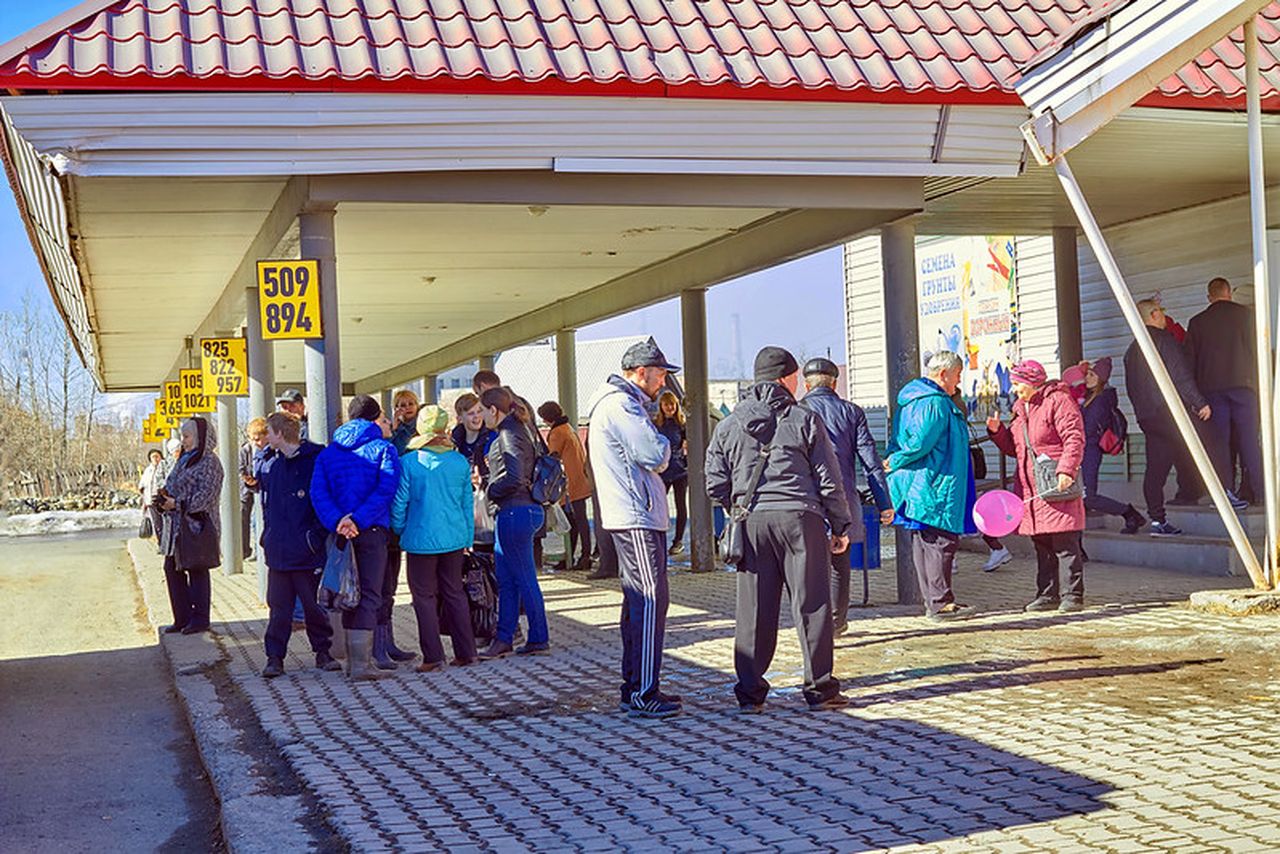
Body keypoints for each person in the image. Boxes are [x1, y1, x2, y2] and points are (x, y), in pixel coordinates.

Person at [706, 346, 852, 713]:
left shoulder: (728, 424)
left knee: (754, 609)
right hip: (800, 520)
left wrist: (736, 506)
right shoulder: (805, 419)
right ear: (786, 378)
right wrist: (840, 524)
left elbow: (713, 482)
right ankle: (819, 689)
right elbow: (828, 478)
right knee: (812, 604)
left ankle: (751, 693)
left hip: (751, 523)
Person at [586, 341, 680, 718]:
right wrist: (666, 443)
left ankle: (636, 687)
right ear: (640, 373)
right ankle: (643, 691)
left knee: (639, 602)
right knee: (649, 601)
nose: (664, 382)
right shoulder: (622, 405)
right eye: (660, 374)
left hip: (634, 512)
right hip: (636, 514)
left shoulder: (619, 403)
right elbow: (654, 454)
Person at [798, 357, 893, 635]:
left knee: (809, 566)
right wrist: (884, 503)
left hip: (807, 500)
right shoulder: (852, 412)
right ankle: (837, 622)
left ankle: (815, 623)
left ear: (806, 384)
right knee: (840, 563)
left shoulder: (796, 411)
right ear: (835, 383)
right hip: (842, 499)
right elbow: (870, 461)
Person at [310, 395, 401, 680]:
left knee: (347, 592)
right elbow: (386, 490)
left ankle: (353, 663)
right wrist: (358, 520)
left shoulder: (328, 453)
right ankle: (361, 665)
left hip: (338, 534)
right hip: (371, 531)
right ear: (375, 418)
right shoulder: (384, 449)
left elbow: (318, 493)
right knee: (370, 594)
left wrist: (338, 521)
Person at [987, 361, 1088, 612]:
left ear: (1032, 382)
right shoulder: (1021, 408)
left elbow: (1074, 437)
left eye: (1017, 384)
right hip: (1031, 489)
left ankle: (1072, 595)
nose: (1014, 389)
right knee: (1042, 544)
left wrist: (1066, 469)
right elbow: (1016, 448)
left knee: (1065, 543)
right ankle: (1047, 594)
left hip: (1055, 482)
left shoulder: (1059, 401)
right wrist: (998, 432)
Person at [884, 351, 973, 621]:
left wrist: (893, 460)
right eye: (957, 375)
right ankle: (940, 603)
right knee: (940, 541)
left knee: (925, 541)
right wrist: (895, 460)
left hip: (923, 482)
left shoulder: (913, 399)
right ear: (943, 373)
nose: (958, 381)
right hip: (935, 481)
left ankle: (934, 600)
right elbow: (920, 443)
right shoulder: (934, 402)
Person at [391, 405, 478, 671]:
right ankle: (467, 652)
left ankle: (433, 657)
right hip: (454, 538)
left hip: (420, 539)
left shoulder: (410, 462)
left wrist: (399, 529)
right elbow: (467, 504)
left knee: (424, 597)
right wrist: (467, 536)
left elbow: (399, 503)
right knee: (455, 593)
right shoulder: (459, 461)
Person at [257, 412, 340, 677]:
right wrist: (267, 537)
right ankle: (274, 657)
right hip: (279, 550)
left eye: (269, 431)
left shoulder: (315, 461)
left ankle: (323, 652)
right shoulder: (274, 466)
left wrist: (314, 537)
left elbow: (324, 503)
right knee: (278, 607)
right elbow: (268, 507)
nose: (265, 437)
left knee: (313, 605)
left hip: (307, 551)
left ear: (280, 434)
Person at [1124, 299, 1212, 536]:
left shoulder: (1132, 349)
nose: (1164, 317)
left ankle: (1157, 519)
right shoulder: (1164, 341)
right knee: (1194, 450)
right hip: (1167, 413)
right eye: (1161, 313)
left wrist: (1142, 412)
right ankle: (1209, 494)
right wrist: (1199, 402)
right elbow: (1180, 375)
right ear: (1153, 315)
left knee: (1156, 468)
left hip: (1147, 416)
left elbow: (1131, 386)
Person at [478, 386, 550, 659]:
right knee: (508, 580)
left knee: (523, 579)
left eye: (484, 410)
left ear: (493, 410)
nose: (483, 416)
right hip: (521, 511)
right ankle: (504, 637)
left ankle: (538, 637)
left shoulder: (509, 434)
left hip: (514, 511)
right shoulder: (520, 429)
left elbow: (515, 477)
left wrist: (489, 489)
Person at [1185, 277, 1261, 510]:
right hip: (1244, 386)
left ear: (1210, 297)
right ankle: (1263, 491)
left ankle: (1226, 493)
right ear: (1228, 293)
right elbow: (1256, 350)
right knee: (1250, 441)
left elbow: (1190, 361)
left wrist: (1196, 398)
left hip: (1212, 391)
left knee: (1220, 443)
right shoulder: (1246, 316)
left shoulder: (1197, 322)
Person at [157, 417, 224, 635]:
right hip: (177, 527)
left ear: (200, 437)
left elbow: (206, 496)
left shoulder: (210, 462)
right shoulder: (184, 459)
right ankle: (182, 617)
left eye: (187, 436)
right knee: (172, 568)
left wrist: (176, 503)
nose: (183, 441)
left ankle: (200, 619)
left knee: (197, 570)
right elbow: (172, 483)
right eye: (182, 436)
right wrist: (163, 497)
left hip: (199, 527)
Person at [1078, 357, 1146, 533]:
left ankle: (1129, 513)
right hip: (1083, 450)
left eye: (1092, 375)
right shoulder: (1091, 397)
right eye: (1087, 375)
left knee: (1088, 497)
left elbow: (1088, 429)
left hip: (1089, 451)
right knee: (1081, 497)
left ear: (1101, 378)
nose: (1087, 378)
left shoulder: (1100, 400)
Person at [538, 401, 593, 572]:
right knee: (579, 520)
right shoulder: (568, 428)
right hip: (580, 479)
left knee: (574, 522)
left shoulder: (557, 433)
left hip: (569, 484)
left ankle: (581, 556)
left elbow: (552, 458)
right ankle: (582, 555)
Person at [653, 391, 690, 557]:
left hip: (680, 470)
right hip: (663, 470)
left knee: (680, 504)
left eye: (672, 405)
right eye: (666, 404)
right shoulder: (656, 424)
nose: (670, 408)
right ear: (661, 406)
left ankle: (678, 540)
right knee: (659, 505)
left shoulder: (682, 425)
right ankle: (659, 538)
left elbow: (688, 445)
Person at [238, 417, 268, 561]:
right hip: (250, 488)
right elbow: (241, 467)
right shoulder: (246, 450)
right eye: (253, 439)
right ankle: (250, 550)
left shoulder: (270, 452)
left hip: (264, 491)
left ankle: (257, 551)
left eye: (257, 439)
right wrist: (247, 478)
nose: (255, 443)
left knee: (257, 520)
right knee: (250, 519)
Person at [138, 448, 168, 544]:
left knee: (165, 524)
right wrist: (145, 502)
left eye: (157, 456)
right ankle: (161, 543)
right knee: (157, 525)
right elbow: (142, 486)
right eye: (153, 457)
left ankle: (166, 544)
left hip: (163, 501)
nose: (155, 459)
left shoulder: (165, 468)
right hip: (151, 501)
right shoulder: (148, 470)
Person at [390, 388, 420, 456]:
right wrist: (393, 429)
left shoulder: (423, 426)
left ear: (417, 406)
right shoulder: (393, 429)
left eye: (411, 404)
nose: (407, 407)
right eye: (403, 405)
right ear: (396, 409)